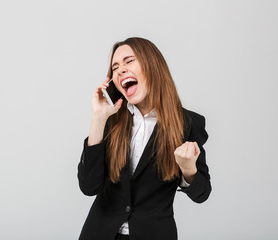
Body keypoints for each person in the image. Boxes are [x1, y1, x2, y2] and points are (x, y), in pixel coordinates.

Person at [77, 37, 211, 240]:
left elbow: (202, 194)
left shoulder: (188, 123)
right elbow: (89, 187)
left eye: (129, 61)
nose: (120, 69)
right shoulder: (111, 119)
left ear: (152, 65)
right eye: (115, 67)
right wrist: (98, 118)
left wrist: (188, 168)